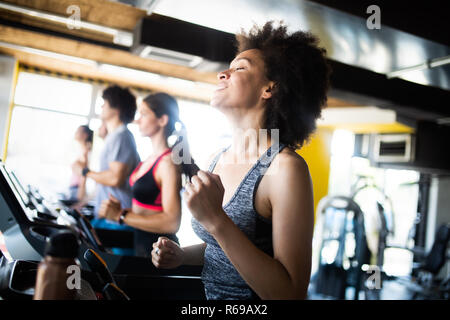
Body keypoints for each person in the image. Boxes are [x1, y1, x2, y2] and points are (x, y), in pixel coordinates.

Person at [151, 21, 331, 300]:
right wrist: (181, 256)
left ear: (269, 88)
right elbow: (226, 250)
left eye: (240, 68)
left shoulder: (285, 169)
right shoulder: (216, 159)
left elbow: (290, 293)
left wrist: (217, 220)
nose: (223, 73)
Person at [98, 93, 194, 257]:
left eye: (143, 114)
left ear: (162, 120)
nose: (137, 120)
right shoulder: (149, 160)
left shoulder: (168, 163)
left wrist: (121, 216)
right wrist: (120, 210)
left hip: (160, 254)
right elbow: (148, 207)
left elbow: (171, 222)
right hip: (141, 244)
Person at [73, 85, 140, 237]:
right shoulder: (114, 137)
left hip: (118, 221)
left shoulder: (121, 136)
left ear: (117, 109)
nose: (102, 106)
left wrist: (85, 171)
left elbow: (115, 178)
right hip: (108, 218)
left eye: (105, 103)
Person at [69, 125, 93, 203]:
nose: (75, 133)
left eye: (78, 131)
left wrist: (80, 195)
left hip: (77, 189)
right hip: (74, 187)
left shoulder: (85, 152)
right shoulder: (81, 150)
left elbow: (84, 174)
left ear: (85, 135)